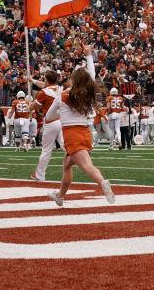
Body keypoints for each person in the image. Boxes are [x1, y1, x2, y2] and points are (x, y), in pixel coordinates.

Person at [47, 46, 115, 206]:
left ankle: (103, 182)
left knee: (86, 166)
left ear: (73, 79)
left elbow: (49, 116)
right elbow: (92, 75)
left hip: (72, 134)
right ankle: (60, 196)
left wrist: (61, 115)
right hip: (85, 132)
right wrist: (89, 55)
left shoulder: (62, 95)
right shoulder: (88, 93)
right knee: (67, 164)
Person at [31, 70, 64, 182]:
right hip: (61, 120)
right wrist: (32, 80)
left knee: (46, 150)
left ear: (47, 80)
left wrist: (28, 102)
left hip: (50, 122)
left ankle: (40, 175)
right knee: (66, 147)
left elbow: (32, 107)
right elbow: (44, 85)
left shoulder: (43, 92)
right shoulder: (60, 89)